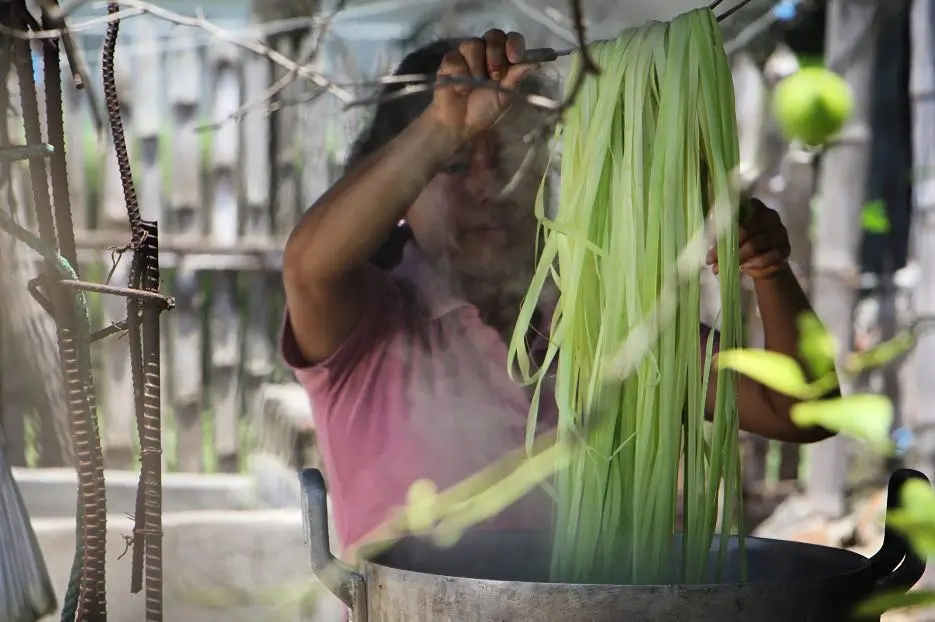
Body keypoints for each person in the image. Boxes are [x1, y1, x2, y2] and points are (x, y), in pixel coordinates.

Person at [281, 30, 838, 558]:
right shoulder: (368, 326)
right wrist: (442, 125)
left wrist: (769, 270)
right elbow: (308, 268)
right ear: (402, 190)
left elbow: (801, 412)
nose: (487, 185)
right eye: (452, 164)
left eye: (509, 157)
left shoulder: (600, 320)